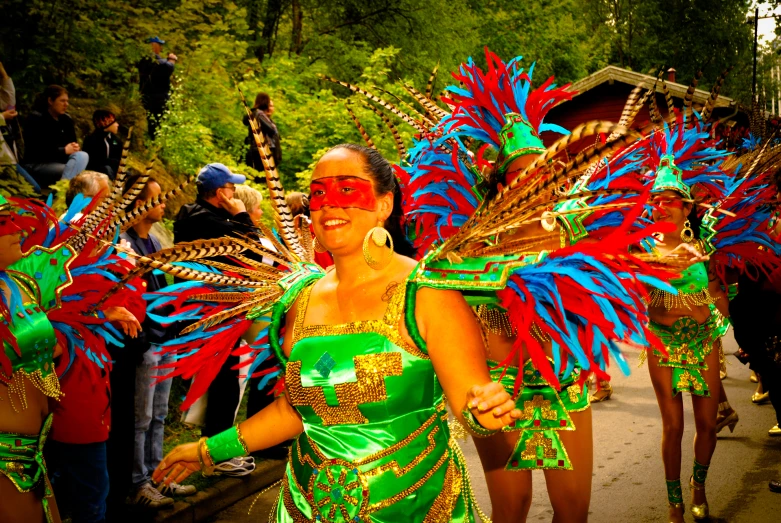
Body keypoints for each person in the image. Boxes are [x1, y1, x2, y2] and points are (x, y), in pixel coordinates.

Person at [154, 144, 522, 521]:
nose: (329, 204)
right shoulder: (299, 298)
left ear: (384, 204)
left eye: (347, 189)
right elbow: (295, 411)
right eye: (318, 193)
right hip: (305, 507)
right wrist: (207, 450)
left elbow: (473, 404)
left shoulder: (426, 292)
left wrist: (486, 411)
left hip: (415, 506)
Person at [0, 193, 142, 523]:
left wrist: (100, 315)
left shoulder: (20, 284)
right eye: (7, 225)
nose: (20, 230)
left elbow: (51, 338)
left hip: (34, 451)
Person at [119, 175, 196, 508]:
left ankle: (158, 476)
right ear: (140, 203)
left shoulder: (151, 240)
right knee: (142, 416)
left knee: (159, 413)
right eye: (158, 198)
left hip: (164, 337)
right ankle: (138, 483)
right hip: (147, 340)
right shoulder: (125, 244)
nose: (164, 203)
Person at [174, 163, 258, 441]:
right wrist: (242, 214)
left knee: (224, 380)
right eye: (232, 188)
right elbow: (253, 254)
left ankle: (216, 443)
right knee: (225, 382)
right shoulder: (205, 220)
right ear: (221, 193)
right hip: (210, 310)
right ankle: (217, 448)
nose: (234, 194)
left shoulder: (199, 215)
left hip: (213, 307)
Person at [22, 85, 89, 189]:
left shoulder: (66, 120)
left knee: (82, 155)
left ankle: (62, 190)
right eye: (62, 101)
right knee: (76, 172)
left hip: (62, 162)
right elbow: (36, 151)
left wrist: (74, 148)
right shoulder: (36, 119)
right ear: (50, 101)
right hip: (38, 164)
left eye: (67, 101)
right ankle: (62, 193)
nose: (66, 104)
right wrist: (63, 151)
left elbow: (72, 143)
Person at [138, 37, 177, 138]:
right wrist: (172, 59)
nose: (160, 48)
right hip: (157, 98)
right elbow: (168, 68)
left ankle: (152, 142)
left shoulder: (142, 60)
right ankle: (154, 143)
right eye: (159, 45)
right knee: (158, 123)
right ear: (153, 45)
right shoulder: (154, 61)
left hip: (147, 95)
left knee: (152, 121)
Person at [244, 92, 281, 170]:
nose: (269, 107)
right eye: (268, 104)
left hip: (259, 152)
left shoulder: (255, 114)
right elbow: (272, 130)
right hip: (263, 152)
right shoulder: (259, 115)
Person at [83, 110, 122, 179]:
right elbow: (93, 162)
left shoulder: (116, 141)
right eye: (114, 122)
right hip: (95, 174)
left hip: (113, 170)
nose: (117, 124)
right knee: (106, 169)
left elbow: (119, 160)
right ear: (106, 124)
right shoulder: (91, 140)